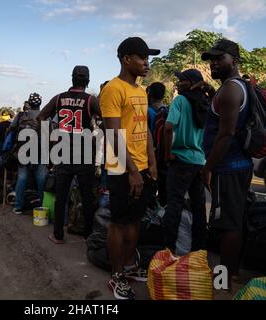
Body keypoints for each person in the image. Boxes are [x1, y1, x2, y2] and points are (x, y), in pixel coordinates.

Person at [100, 37, 159, 300]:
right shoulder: (113, 89)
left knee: (135, 219)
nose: (147, 63)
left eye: (148, 58)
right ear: (127, 59)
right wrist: (133, 170)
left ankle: (128, 267)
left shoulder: (141, 91)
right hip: (120, 167)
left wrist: (152, 162)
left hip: (142, 166)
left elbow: (143, 127)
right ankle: (116, 276)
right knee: (118, 222)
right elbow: (112, 133)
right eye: (142, 57)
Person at [200, 39, 253, 287]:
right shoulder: (234, 87)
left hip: (227, 167)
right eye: (212, 58)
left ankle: (223, 280)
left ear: (235, 60)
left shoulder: (231, 89)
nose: (214, 63)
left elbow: (226, 134)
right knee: (234, 220)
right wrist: (212, 94)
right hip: (237, 165)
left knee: (226, 225)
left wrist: (208, 167)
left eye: (220, 58)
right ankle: (231, 272)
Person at [39, 66, 101, 244]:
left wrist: (50, 139)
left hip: (63, 153)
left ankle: (58, 235)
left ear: (72, 79)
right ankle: (87, 235)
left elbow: (42, 117)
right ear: (87, 81)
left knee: (61, 196)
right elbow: (108, 119)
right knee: (87, 196)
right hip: (85, 155)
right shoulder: (91, 100)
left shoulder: (59, 98)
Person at [162, 69, 208, 255]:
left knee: (174, 203)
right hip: (199, 161)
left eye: (181, 80)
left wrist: (167, 154)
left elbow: (168, 127)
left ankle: (169, 250)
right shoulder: (205, 102)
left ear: (190, 83)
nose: (178, 83)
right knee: (199, 207)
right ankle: (199, 251)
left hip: (181, 160)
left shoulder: (180, 101)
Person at [10, 93, 48, 215]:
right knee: (41, 180)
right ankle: (42, 206)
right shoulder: (46, 116)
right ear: (40, 103)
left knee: (22, 179)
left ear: (29, 103)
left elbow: (11, 130)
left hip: (24, 152)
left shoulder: (21, 115)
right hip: (41, 152)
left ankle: (18, 207)